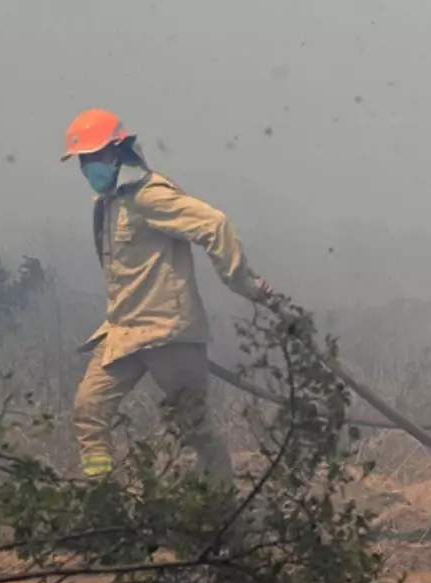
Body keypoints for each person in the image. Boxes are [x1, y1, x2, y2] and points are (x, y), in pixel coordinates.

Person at [61, 108, 274, 482]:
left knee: (192, 428)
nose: (88, 168)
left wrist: (245, 285)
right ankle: (102, 501)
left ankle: (223, 511)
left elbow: (214, 225)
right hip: (124, 332)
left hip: (167, 333)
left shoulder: (150, 195)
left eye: (94, 157)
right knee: (88, 410)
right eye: (83, 160)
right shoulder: (108, 204)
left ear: (117, 152)